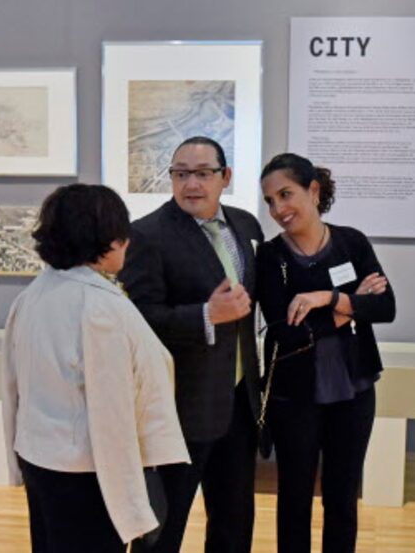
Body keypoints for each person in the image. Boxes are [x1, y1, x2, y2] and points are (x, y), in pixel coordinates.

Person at [1, 183, 190, 553]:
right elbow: (112, 413)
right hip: (87, 473)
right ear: (107, 239)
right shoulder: (100, 309)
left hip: (41, 459)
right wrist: (131, 503)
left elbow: (14, 387)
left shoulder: (34, 295)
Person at [119, 136, 263, 553]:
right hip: (180, 407)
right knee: (164, 527)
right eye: (181, 174)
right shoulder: (146, 235)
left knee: (235, 520)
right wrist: (205, 315)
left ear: (225, 177)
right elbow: (140, 319)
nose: (191, 185)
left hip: (239, 400)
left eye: (202, 173)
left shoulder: (246, 225)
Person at [256, 153, 396, 553]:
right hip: (295, 398)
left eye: (286, 194)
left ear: (313, 190)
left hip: (354, 394)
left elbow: (386, 308)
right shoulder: (271, 257)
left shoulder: (351, 242)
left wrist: (326, 297)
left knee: (342, 498)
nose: (278, 209)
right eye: (270, 201)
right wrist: (350, 305)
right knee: (294, 500)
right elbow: (285, 332)